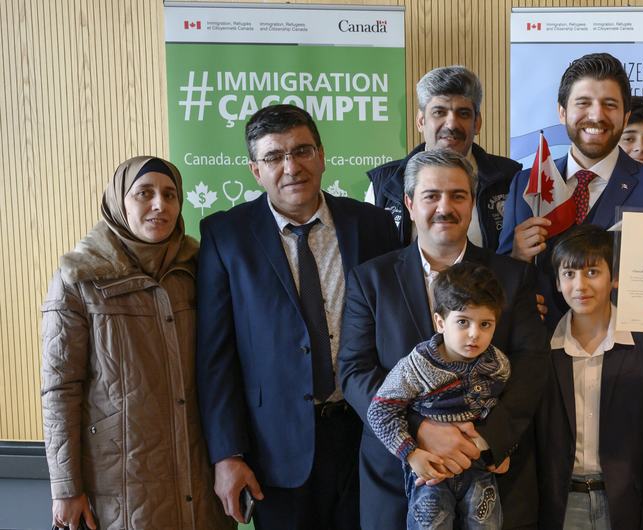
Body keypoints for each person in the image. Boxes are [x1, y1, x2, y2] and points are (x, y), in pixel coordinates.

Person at [196, 104, 401, 529]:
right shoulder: (225, 236)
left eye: (302, 150)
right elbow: (215, 358)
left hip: (367, 434)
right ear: (255, 169)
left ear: (322, 156)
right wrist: (227, 455)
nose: (291, 167)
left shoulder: (374, 225)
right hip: (275, 447)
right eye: (274, 156)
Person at [338, 148, 549, 530]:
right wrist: (420, 429)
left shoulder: (513, 277)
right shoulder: (370, 280)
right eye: (431, 195)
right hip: (398, 476)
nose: (444, 207)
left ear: (471, 203)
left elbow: (533, 364)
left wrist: (484, 441)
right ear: (409, 203)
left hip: (493, 470)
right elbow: (354, 372)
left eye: (458, 195)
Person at [41, 156, 233, 530]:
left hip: (200, 474)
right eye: (144, 193)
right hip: (119, 484)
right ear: (118, 202)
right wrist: (65, 488)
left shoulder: (199, 268)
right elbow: (59, 390)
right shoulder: (78, 278)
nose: (160, 205)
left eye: (170, 194)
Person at [498, 52, 643, 326]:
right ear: (562, 112)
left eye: (609, 105)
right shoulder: (526, 185)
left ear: (625, 117)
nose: (596, 115)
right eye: (583, 103)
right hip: (540, 358)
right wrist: (517, 256)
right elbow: (499, 285)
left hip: (626, 360)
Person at [534, 224, 643, 529]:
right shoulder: (542, 349)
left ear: (614, 278)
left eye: (592, 272)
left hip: (624, 505)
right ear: (557, 283)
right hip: (561, 505)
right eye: (569, 274)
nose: (581, 285)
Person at [368, 262, 512, 530]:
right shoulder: (417, 365)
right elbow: (380, 410)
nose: (474, 334)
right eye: (462, 322)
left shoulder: (499, 365)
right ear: (440, 322)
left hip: (479, 469)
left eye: (485, 324)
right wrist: (411, 455)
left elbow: (500, 409)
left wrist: (502, 447)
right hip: (431, 470)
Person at [367, 65, 520, 252]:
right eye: (439, 112)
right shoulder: (384, 184)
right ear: (421, 121)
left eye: (463, 114)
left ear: (477, 123)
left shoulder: (511, 179)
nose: (451, 124)